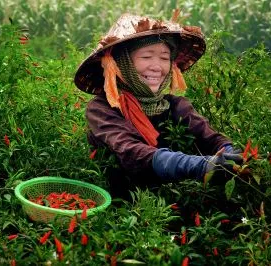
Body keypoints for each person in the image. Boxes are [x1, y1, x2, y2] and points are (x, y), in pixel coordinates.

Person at [74, 12, 243, 200]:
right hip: (124, 209)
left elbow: (210, 138)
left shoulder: (176, 105)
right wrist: (200, 165)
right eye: (146, 56)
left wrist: (229, 154)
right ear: (123, 63)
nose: (157, 67)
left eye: (164, 58)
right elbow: (132, 151)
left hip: (176, 204)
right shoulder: (102, 109)